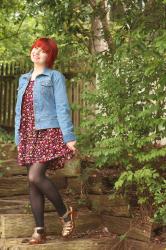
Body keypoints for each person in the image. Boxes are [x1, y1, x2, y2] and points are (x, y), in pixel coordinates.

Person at [14, 37, 78, 244]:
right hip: (28, 134)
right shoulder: (24, 79)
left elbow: (62, 106)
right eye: (35, 48)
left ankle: (66, 214)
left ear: (49, 56)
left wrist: (68, 136)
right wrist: (18, 136)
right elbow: (19, 111)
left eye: (42, 50)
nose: (36, 52)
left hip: (47, 131)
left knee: (35, 177)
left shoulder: (54, 77)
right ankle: (39, 231)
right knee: (32, 183)